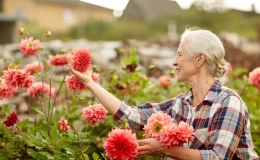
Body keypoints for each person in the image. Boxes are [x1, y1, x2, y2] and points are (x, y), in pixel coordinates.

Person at [68, 28, 259, 160]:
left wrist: (165, 148)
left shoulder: (229, 102)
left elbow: (218, 158)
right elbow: (132, 116)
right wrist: (89, 82)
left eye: (180, 54)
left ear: (200, 59)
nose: (174, 62)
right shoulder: (181, 104)